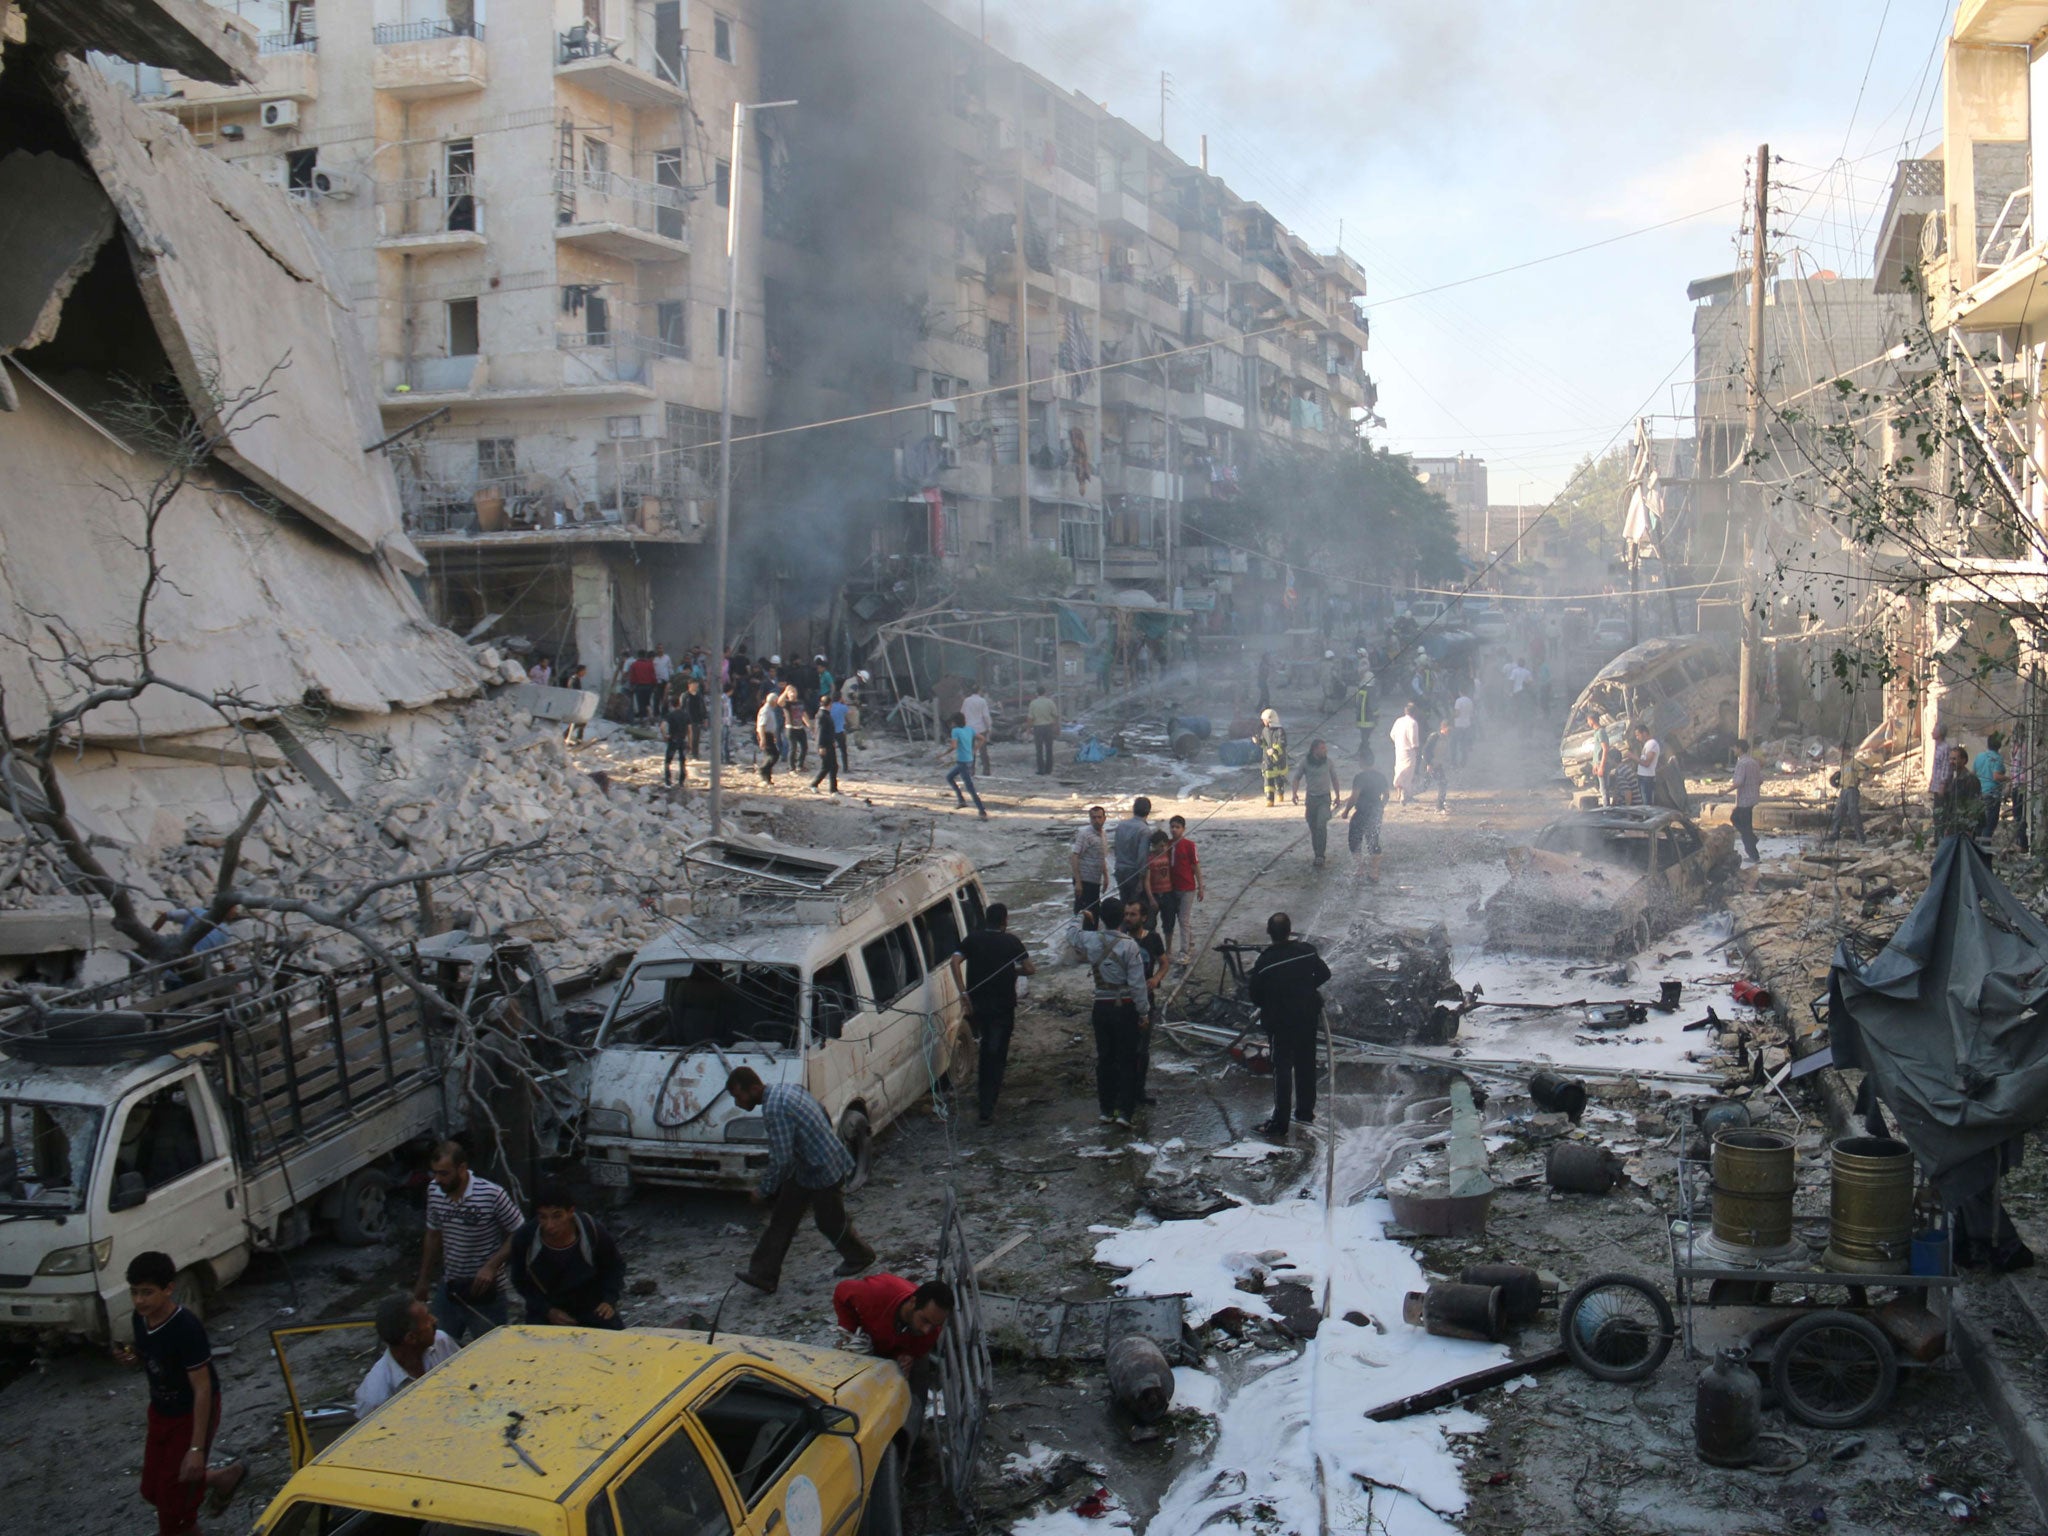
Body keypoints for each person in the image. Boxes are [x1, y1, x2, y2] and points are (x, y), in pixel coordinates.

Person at [118, 1251, 247, 1534]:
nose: (139, 1300)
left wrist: (196, 1450)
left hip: (191, 1413)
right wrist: (134, 1358)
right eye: (134, 1292)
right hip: (161, 1410)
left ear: (168, 1289)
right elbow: (150, 1354)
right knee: (152, 1490)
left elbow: (202, 1389)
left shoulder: (186, 1328)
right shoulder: (140, 1319)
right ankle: (222, 1477)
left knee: (174, 1511)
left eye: (147, 1293)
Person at [728, 1068, 876, 1293]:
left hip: (824, 1168)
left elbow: (781, 1159)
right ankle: (764, 1275)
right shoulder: (786, 1089)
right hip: (807, 1166)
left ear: (755, 1089)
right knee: (782, 1218)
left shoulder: (774, 1109)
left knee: (829, 1222)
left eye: (739, 1096)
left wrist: (764, 1190)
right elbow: (821, 1111)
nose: (738, 1103)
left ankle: (860, 1256)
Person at [412, 1140, 522, 1342]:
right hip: (451, 1286)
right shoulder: (434, 1191)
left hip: (486, 1292)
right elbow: (433, 1234)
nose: (438, 1179)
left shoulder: (491, 1194)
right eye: (434, 1172)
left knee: (491, 1349)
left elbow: (519, 1231)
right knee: (436, 1345)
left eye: (444, 1173)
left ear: (462, 1168)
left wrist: (491, 1266)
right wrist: (423, 1279)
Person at [833, 1275, 953, 1443]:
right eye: (925, 1320)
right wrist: (850, 1330)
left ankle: (910, 1439)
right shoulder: (874, 1295)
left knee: (916, 1386)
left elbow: (917, 1348)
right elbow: (841, 1291)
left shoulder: (929, 1333)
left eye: (934, 1324)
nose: (927, 1329)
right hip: (871, 1335)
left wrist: (906, 1356)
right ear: (912, 1302)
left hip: (895, 1342)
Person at [1246, 913, 1331, 1141]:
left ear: (1269, 932)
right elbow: (1325, 973)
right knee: (1306, 1064)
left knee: (1281, 1068)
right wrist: (1305, 989)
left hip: (1280, 1022)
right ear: (1290, 930)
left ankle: (1279, 1123)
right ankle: (1305, 1112)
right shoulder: (1306, 951)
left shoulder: (1265, 961)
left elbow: (1255, 995)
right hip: (1307, 1016)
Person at [952, 904, 1035, 1125]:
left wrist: (963, 992)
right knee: (996, 1054)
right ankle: (987, 1107)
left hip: (978, 1005)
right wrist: (1011, 971)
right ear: (1004, 921)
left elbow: (955, 961)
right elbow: (1030, 969)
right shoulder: (1012, 942)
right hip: (1003, 1007)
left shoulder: (972, 939)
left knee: (987, 1047)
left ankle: (986, 1100)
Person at [508, 1180, 627, 1328]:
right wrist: (547, 1310)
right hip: (548, 1307)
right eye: (543, 1217)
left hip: (590, 1305)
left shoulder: (592, 1231)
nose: (549, 1225)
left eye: (557, 1216)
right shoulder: (525, 1238)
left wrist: (609, 1300)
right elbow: (519, 1280)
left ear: (570, 1212)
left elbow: (614, 1267)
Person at [1074, 898, 1149, 1127]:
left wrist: (1082, 916)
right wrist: (1144, 1012)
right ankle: (1124, 1112)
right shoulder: (1129, 945)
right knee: (1126, 1059)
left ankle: (1106, 1110)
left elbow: (1070, 933)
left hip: (1101, 1006)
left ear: (1102, 918)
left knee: (1105, 1058)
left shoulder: (1090, 939)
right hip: (1124, 1006)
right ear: (1122, 918)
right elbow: (1138, 984)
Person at [354, 1295, 458, 1420]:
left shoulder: (442, 1341)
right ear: (411, 1338)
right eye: (427, 1320)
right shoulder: (374, 1398)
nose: (434, 1320)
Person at [1342, 747, 1389, 884]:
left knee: (1354, 840)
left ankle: (1360, 868)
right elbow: (1386, 795)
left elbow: (1354, 796)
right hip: (1376, 812)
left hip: (1362, 812)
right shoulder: (1380, 776)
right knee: (1373, 840)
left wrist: (1346, 811)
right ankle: (1374, 872)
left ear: (1362, 761)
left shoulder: (1360, 777)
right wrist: (1380, 807)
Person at [1294, 738, 1341, 867]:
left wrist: (1338, 796)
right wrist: (1294, 793)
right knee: (1313, 827)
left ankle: (1321, 855)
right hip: (1311, 799)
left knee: (1321, 826)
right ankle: (1317, 853)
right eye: (1322, 748)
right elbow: (1297, 778)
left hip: (1324, 799)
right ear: (1315, 750)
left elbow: (1335, 779)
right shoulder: (1305, 763)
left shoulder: (1328, 763)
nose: (1325, 751)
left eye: (1325, 748)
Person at [1165, 814, 1205, 965]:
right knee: (1182, 919)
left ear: (1183, 829)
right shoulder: (1167, 846)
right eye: (1172, 827)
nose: (1174, 830)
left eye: (1177, 827)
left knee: (1183, 919)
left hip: (1187, 887)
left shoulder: (1189, 845)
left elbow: (1195, 867)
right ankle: (1190, 942)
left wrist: (1201, 886)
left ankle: (1184, 951)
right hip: (1172, 888)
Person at [940, 711, 988, 818]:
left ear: (954, 722)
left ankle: (982, 811)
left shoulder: (955, 731)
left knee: (969, 786)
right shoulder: (969, 729)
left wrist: (943, 754)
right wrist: (975, 749)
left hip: (962, 761)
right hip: (969, 760)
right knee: (949, 777)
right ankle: (961, 800)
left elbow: (954, 746)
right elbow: (982, 738)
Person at [1934, 744, 1981, 842]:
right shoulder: (1956, 780)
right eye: (1950, 759)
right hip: (1955, 826)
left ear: (1963, 760)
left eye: (1955, 759)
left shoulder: (1970, 779)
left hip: (1965, 828)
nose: (1951, 762)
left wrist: (1969, 829)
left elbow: (1974, 805)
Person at [1112, 797, 1153, 907]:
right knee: (1137, 908)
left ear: (1133, 809)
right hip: (1134, 873)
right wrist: (1141, 879)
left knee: (1124, 905)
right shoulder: (1144, 830)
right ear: (1148, 810)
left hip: (1120, 870)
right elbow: (1142, 857)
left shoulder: (1121, 825)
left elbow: (1115, 848)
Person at [1730, 739, 1764, 863]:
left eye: (1734, 748)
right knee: (1736, 819)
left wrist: (1724, 791)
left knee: (1744, 827)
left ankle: (1754, 855)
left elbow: (1738, 783)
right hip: (1752, 799)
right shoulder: (1753, 762)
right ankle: (1752, 839)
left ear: (1739, 749)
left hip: (1744, 800)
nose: (1733, 750)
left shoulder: (1742, 763)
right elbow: (1760, 780)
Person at [1070, 804, 1109, 913]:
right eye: (1093, 817)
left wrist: (1106, 876)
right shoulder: (1085, 834)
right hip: (1084, 880)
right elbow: (1074, 856)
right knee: (1082, 913)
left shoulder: (1103, 834)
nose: (1096, 820)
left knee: (1094, 911)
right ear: (1090, 819)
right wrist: (1078, 882)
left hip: (1095, 880)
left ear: (1104, 819)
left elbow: (1102, 857)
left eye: (1099, 817)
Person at [1829, 738, 1867, 845]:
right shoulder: (1843, 764)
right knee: (1837, 813)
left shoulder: (1853, 762)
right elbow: (1843, 775)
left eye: (1843, 750)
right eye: (1840, 751)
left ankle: (1861, 838)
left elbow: (1864, 769)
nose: (1841, 753)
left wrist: (1857, 782)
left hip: (1852, 790)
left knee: (1854, 813)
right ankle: (1835, 834)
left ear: (1848, 751)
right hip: (1843, 790)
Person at [1975, 731, 2010, 840]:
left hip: (1980, 794)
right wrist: (2009, 779)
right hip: (1992, 794)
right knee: (1989, 825)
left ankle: (1977, 849)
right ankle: (1985, 850)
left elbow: (1973, 774)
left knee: (1979, 823)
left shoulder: (1979, 756)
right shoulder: (1997, 758)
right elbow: (1996, 776)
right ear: (1999, 745)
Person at [1389, 701, 1421, 805]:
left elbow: (1392, 734)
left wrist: (1398, 743)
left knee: (1399, 769)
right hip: (1409, 751)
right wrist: (1416, 748)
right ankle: (1405, 796)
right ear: (1415, 712)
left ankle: (1399, 793)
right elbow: (1413, 739)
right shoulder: (1413, 723)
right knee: (1408, 772)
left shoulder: (1399, 721)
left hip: (1399, 749)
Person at [811, 692, 843, 795]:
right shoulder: (821, 715)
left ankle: (833, 789)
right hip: (824, 745)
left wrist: (832, 741)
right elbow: (820, 732)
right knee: (826, 766)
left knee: (834, 766)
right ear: (830, 704)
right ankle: (814, 784)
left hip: (829, 744)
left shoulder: (825, 714)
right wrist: (821, 746)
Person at [1258, 709, 1291, 807]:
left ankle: (1280, 792)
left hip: (1279, 761)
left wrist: (1275, 750)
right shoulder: (1264, 730)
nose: (1263, 722)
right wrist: (1258, 741)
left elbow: (1283, 743)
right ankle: (1270, 799)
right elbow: (1264, 743)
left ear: (1270, 720)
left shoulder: (1280, 731)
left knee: (1279, 779)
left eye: (1265, 720)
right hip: (1268, 761)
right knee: (1268, 780)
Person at [1419, 717, 1453, 812]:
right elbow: (1425, 751)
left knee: (1441, 783)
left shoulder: (1446, 738)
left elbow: (1442, 753)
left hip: (1437, 765)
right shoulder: (1435, 737)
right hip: (1429, 764)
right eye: (1448, 730)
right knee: (1426, 786)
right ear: (1443, 728)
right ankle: (1407, 795)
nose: (1450, 732)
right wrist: (1429, 764)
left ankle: (1440, 806)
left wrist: (1447, 762)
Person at [962, 684, 994, 775]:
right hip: (980, 729)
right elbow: (985, 716)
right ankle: (986, 770)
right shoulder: (982, 701)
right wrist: (989, 726)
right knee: (983, 750)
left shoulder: (966, 701)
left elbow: (962, 714)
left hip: (969, 728)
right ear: (979, 691)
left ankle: (971, 770)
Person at [1028, 687, 1060, 775]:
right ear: (1045, 692)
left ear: (1037, 693)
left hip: (1038, 727)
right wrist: (1057, 727)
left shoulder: (1033, 703)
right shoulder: (1050, 702)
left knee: (1039, 749)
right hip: (1048, 727)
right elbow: (1056, 716)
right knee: (1049, 749)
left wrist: (1029, 729)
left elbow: (1030, 718)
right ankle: (1049, 769)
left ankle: (1041, 770)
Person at [755, 690, 785, 783]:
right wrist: (762, 738)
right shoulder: (766, 710)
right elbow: (761, 725)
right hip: (765, 735)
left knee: (770, 755)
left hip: (769, 735)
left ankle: (767, 778)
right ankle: (763, 769)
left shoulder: (769, 710)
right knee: (773, 755)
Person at [662, 693, 691, 788]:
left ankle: (667, 781)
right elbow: (690, 730)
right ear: (680, 703)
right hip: (682, 740)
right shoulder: (685, 715)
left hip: (673, 739)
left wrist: (665, 736)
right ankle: (681, 782)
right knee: (682, 761)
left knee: (668, 761)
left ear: (671, 705)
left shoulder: (670, 715)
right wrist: (690, 742)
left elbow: (662, 726)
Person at [626, 650, 659, 722]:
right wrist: (655, 685)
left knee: (640, 704)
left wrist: (632, 685)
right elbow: (653, 676)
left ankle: (642, 720)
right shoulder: (650, 664)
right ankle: (650, 717)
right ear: (645, 656)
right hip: (649, 687)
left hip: (639, 687)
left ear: (638, 655)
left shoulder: (634, 665)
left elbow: (632, 677)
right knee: (647, 703)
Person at [783, 687, 810, 773]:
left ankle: (800, 765)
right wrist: (785, 691)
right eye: (791, 692)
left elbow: (803, 713)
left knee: (804, 747)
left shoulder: (800, 702)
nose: (793, 693)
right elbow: (779, 702)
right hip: (790, 728)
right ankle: (791, 767)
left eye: (794, 691)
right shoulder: (787, 703)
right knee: (793, 748)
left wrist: (808, 724)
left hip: (800, 727)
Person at [1928, 721, 1953, 805]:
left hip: (1942, 787)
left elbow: (1945, 767)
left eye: (1934, 730)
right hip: (1936, 786)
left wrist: (1942, 785)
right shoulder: (1938, 746)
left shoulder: (1945, 748)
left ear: (1940, 733)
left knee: (1941, 811)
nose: (1932, 732)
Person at [1354, 673, 1376, 757]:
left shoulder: (1360, 689)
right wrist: (1376, 716)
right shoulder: (1371, 690)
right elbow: (1373, 706)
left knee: (1364, 735)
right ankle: (1364, 751)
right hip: (1368, 720)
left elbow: (1356, 704)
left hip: (1360, 719)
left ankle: (1362, 749)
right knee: (1366, 736)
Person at [1452, 689, 1475, 768]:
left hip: (1458, 725)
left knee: (1454, 744)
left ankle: (1454, 762)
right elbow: (1471, 714)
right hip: (1467, 725)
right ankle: (1463, 762)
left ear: (1460, 692)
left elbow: (1457, 713)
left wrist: (1452, 717)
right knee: (1463, 744)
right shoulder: (1470, 701)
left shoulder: (1458, 701)